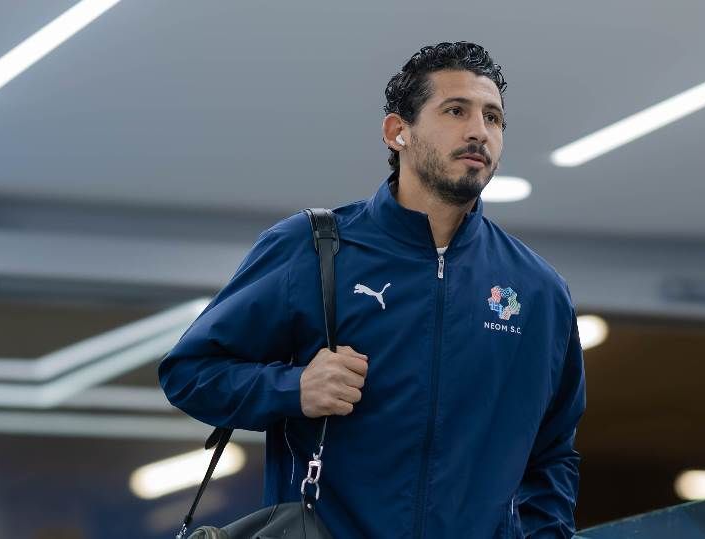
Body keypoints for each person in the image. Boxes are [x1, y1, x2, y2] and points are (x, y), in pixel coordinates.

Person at [159, 41, 586, 538]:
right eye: (455, 110)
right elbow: (190, 372)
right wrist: (294, 389)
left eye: (493, 118)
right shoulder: (313, 248)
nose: (478, 131)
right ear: (397, 131)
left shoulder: (537, 291)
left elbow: (553, 453)